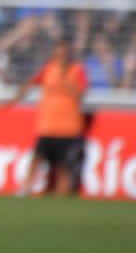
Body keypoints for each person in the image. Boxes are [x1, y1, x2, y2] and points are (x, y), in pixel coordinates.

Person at [6, 39, 89, 196]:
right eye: (58, 52)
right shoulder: (49, 69)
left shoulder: (77, 70)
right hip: (47, 127)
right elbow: (31, 84)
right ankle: (25, 189)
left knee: (64, 169)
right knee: (36, 160)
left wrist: (67, 82)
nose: (60, 56)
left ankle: (62, 197)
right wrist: (13, 100)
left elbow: (81, 95)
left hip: (68, 129)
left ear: (68, 53)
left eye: (63, 53)